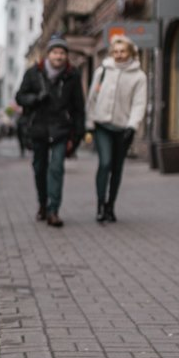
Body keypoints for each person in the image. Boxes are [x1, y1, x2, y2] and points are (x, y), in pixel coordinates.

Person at [16, 37, 85, 227]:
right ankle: (42, 204)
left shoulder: (72, 75)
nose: (58, 56)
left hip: (61, 128)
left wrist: (78, 133)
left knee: (56, 168)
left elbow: (78, 107)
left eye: (62, 53)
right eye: (55, 52)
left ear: (66, 56)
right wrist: (36, 98)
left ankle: (53, 210)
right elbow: (20, 97)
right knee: (40, 168)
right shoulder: (33, 73)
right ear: (48, 54)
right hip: (38, 128)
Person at [86, 35, 148, 223]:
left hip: (123, 128)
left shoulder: (139, 76)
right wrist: (89, 123)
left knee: (117, 168)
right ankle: (100, 204)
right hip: (102, 124)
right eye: (115, 51)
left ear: (130, 52)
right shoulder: (102, 71)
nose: (119, 55)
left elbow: (139, 103)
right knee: (105, 163)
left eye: (122, 51)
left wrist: (132, 126)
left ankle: (110, 206)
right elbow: (92, 98)